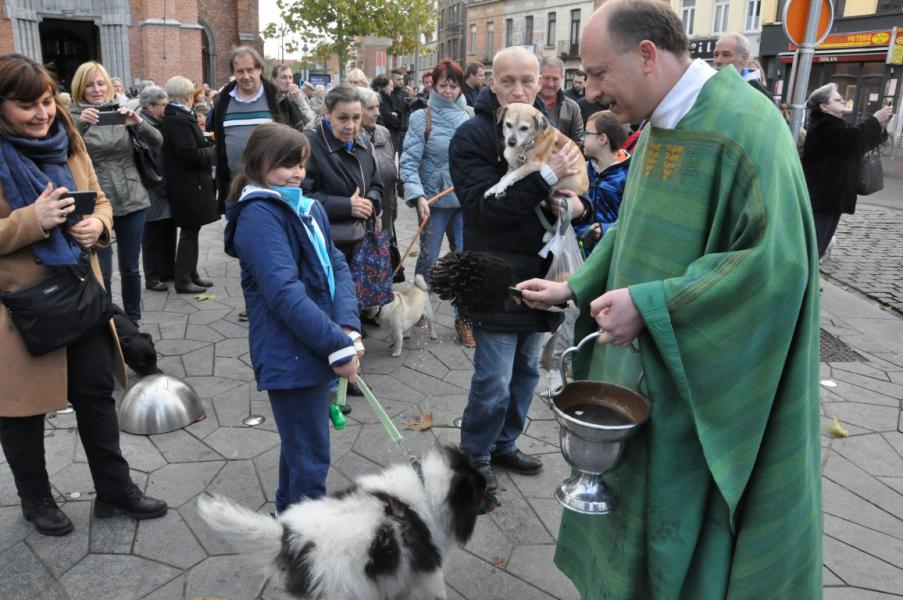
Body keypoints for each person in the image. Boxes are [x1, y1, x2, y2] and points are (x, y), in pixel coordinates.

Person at [518, 2, 822, 597]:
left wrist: (657, 305)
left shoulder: (747, 128)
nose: (594, 91)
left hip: (702, 385)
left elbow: (775, 268)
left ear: (649, 55)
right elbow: (632, 229)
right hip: (638, 368)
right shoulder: (657, 124)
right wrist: (575, 285)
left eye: (601, 73)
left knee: (684, 534)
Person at [0, 53, 167, 538]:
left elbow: (102, 198)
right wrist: (34, 221)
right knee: (22, 412)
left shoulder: (68, 139)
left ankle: (115, 491)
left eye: (46, 101)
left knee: (95, 395)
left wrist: (100, 224)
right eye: (25, 105)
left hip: (79, 291)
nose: (41, 114)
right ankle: (36, 500)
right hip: (20, 307)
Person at [448, 46, 586, 492]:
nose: (520, 88)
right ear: (492, 82)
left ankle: (505, 443)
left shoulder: (549, 131)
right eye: (508, 81)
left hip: (543, 272)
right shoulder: (473, 135)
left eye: (528, 80)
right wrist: (544, 180)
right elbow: (484, 209)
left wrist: (576, 203)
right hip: (494, 272)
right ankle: (476, 455)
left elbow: (580, 190)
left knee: (528, 369)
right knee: (494, 377)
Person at [224, 123, 362, 512]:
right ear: (257, 164)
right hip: (291, 351)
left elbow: (337, 264)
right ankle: (306, 543)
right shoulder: (259, 215)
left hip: (314, 342)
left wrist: (348, 326)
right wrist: (337, 343)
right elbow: (284, 293)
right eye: (285, 164)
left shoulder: (305, 204)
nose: (296, 173)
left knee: (302, 447)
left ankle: (289, 527)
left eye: (300, 163)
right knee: (311, 455)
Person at [544, 109, 632, 392]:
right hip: (576, 255)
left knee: (595, 319)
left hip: (608, 261)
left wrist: (603, 231)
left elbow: (629, 219)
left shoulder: (628, 175)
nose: (581, 138)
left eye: (587, 133)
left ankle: (584, 377)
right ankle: (558, 376)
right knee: (569, 317)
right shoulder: (581, 167)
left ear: (603, 139)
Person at [70, 60, 162, 322]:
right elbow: (63, 153)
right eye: (89, 84)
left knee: (131, 268)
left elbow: (158, 142)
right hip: (96, 202)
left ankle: (132, 322)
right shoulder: (71, 116)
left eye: (101, 83)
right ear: (80, 87)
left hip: (132, 197)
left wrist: (137, 123)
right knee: (103, 271)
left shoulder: (123, 110)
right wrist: (81, 126)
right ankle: (108, 323)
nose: (96, 89)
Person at [400, 59, 475, 347]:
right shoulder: (422, 117)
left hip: (463, 201)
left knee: (465, 260)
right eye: (443, 85)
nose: (448, 91)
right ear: (433, 84)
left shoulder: (469, 115)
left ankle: (464, 319)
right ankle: (418, 305)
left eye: (453, 85)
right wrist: (418, 196)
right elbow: (408, 162)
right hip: (433, 200)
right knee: (429, 258)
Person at [802, 83, 892, 257]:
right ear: (824, 106)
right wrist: (874, 119)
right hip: (823, 197)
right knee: (814, 246)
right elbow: (853, 141)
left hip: (833, 197)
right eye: (837, 99)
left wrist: (880, 125)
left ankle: (809, 279)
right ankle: (804, 281)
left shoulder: (836, 124)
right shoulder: (824, 127)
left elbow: (859, 146)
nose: (843, 100)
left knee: (820, 245)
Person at [212, 46, 300, 213]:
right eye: (240, 71)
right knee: (236, 236)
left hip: (273, 188)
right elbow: (220, 144)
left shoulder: (277, 98)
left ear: (259, 69)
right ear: (234, 72)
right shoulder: (222, 100)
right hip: (235, 187)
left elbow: (298, 138)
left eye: (250, 70)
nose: (246, 76)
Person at [302, 85, 382, 267]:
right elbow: (299, 197)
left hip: (362, 241)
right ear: (327, 113)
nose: (351, 126)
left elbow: (377, 186)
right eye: (343, 118)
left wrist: (369, 202)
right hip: (325, 245)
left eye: (356, 118)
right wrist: (346, 206)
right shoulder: (308, 145)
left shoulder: (364, 143)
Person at [161, 76, 219, 294]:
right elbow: (189, 154)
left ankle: (191, 274)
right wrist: (212, 151)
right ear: (186, 94)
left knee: (192, 231)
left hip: (191, 182)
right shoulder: (177, 119)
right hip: (187, 183)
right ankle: (183, 278)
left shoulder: (179, 115)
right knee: (189, 231)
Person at [137, 85, 175, 292]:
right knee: (153, 234)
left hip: (162, 185)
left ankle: (168, 271)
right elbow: (149, 160)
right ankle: (153, 277)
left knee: (167, 230)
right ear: (150, 106)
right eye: (163, 105)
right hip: (152, 187)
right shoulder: (142, 126)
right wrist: (161, 185)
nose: (166, 108)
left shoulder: (156, 123)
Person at [358, 87, 398, 240]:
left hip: (386, 209)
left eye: (378, 107)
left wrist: (392, 211)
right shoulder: (351, 137)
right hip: (364, 215)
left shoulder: (383, 132)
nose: (377, 112)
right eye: (370, 108)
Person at [537, 57, 583, 144]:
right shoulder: (527, 104)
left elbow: (578, 142)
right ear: (538, 77)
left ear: (562, 78)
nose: (551, 84)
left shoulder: (572, 108)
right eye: (546, 78)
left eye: (555, 79)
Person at [713, 33, 772, 99]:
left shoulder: (758, 93)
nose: (718, 60)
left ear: (744, 57)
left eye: (726, 55)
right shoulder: (709, 85)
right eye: (716, 55)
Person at [271, 64, 315, 128]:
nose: (288, 81)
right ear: (274, 80)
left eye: (290, 77)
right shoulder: (269, 100)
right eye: (284, 77)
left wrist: (299, 101)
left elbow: (313, 122)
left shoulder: (295, 99)